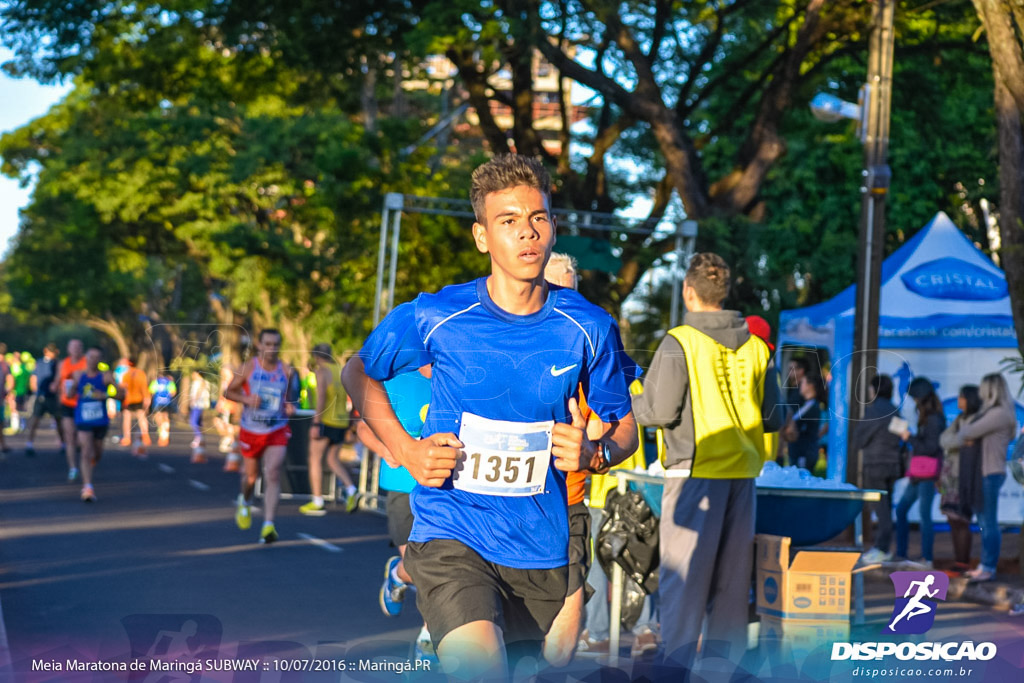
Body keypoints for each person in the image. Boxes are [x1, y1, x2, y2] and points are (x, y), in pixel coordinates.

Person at [342, 154, 638, 680]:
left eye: (538, 219)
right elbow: (357, 373)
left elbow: (625, 427)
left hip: (540, 537)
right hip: (453, 529)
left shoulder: (587, 326)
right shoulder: (437, 315)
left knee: (547, 662)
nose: (527, 234)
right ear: (483, 237)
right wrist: (408, 451)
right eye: (508, 222)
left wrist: (597, 453)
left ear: (551, 226)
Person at [630, 252, 782, 672]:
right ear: (726, 293)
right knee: (732, 588)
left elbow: (658, 410)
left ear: (688, 291)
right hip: (744, 476)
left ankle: (673, 670)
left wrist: (629, 399)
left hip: (695, 472)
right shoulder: (757, 346)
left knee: (683, 582)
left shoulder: (680, 340)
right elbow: (775, 416)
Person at [359, 367, 436, 663]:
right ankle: (397, 574)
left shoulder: (453, 377)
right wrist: (386, 448)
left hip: (442, 490)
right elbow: (364, 428)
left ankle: (428, 635)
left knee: (434, 562)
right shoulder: (396, 380)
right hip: (402, 486)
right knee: (419, 565)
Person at [224, 329, 298, 544]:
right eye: (267, 344)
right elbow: (228, 392)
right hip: (251, 429)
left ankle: (268, 525)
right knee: (250, 477)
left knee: (273, 473)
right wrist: (247, 400)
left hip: (276, 428)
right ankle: (244, 500)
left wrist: (290, 406)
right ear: (259, 345)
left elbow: (290, 398)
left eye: (276, 344)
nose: (272, 349)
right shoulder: (249, 367)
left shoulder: (286, 370)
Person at [952, 373, 1018, 581]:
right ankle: (985, 565)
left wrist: (969, 436)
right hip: (987, 472)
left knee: (988, 522)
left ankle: (988, 567)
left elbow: (966, 432)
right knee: (984, 521)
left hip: (990, 472)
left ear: (990, 390)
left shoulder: (998, 414)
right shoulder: (997, 413)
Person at [299, 343, 358, 516]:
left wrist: (316, 423)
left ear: (316, 357)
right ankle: (351, 489)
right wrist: (350, 420)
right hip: (341, 421)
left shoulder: (322, 371)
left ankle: (317, 500)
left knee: (314, 459)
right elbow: (353, 394)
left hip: (327, 421)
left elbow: (321, 398)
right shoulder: (341, 369)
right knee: (332, 460)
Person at [851, 374, 903, 563]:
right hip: (892, 465)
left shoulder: (873, 411)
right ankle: (884, 548)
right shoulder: (895, 410)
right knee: (887, 507)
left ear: (874, 390)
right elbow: (901, 437)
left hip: (875, 465)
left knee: (880, 508)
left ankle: (881, 548)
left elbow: (858, 440)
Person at [894, 376, 946, 568]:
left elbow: (931, 447)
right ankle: (902, 553)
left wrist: (909, 438)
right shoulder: (932, 417)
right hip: (920, 474)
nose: (913, 401)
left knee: (923, 516)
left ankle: (927, 558)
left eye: (914, 398)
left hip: (927, 474)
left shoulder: (933, 419)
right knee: (902, 510)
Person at [68, 346, 123, 502]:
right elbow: (70, 394)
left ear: (100, 360)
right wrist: (71, 388)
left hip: (100, 420)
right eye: (90, 357)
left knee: (97, 452)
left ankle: (90, 465)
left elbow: (121, 394)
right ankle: (87, 487)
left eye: (96, 357)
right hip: (83, 419)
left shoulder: (106, 377)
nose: (93, 360)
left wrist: (105, 395)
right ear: (86, 358)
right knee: (86, 450)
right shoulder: (78, 375)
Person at [939, 385, 982, 569]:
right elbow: (944, 440)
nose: (959, 400)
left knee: (962, 520)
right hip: (950, 477)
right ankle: (959, 561)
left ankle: (963, 562)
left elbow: (955, 441)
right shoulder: (959, 419)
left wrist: (958, 440)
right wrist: (960, 440)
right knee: (952, 519)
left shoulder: (976, 420)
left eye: (962, 397)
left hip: (964, 477)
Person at [56, 339, 87, 479]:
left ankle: (83, 459)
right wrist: (54, 386)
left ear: (82, 349)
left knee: (81, 439)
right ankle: (73, 468)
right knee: (69, 436)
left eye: (78, 346)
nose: (76, 349)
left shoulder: (87, 362)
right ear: (68, 349)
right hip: (67, 403)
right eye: (73, 347)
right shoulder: (63, 363)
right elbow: (58, 381)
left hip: (83, 404)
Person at [25, 343, 62, 457]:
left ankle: (64, 443)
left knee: (59, 421)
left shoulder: (57, 363)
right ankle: (29, 444)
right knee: (35, 420)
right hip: (41, 396)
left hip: (52, 397)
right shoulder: (39, 362)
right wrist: (36, 390)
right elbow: (33, 378)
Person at [119, 358, 152, 449]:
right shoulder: (141, 373)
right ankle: (145, 435)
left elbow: (122, 387)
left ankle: (127, 438)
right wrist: (147, 398)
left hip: (129, 399)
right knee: (141, 417)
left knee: (127, 418)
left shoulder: (126, 374)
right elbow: (144, 387)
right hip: (139, 399)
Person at [149, 372, 178, 446]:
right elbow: (173, 392)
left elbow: (151, 391)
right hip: (167, 402)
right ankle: (165, 429)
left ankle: (161, 428)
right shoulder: (169, 382)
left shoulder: (156, 382)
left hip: (158, 401)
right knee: (165, 416)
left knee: (157, 416)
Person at [188, 369, 211, 458]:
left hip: (198, 404)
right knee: (198, 422)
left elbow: (199, 391)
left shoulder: (201, 382)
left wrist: (194, 400)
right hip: (198, 404)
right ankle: (200, 438)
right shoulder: (197, 381)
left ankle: (199, 438)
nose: (192, 376)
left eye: (194, 374)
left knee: (193, 422)